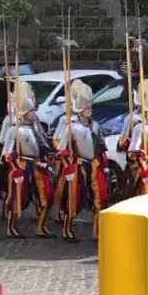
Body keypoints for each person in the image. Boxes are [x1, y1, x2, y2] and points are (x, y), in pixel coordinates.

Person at [53, 80, 108, 242]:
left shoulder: (96, 126)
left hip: (94, 165)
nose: (89, 111)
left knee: (100, 199)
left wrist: (103, 161)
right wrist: (67, 168)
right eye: (86, 108)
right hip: (77, 167)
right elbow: (61, 150)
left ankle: (97, 231)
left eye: (90, 107)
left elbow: (101, 146)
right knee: (73, 198)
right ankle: (67, 229)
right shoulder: (71, 127)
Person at [3, 80, 55, 238]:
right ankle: (11, 227)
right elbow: (7, 153)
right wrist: (15, 168)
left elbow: (42, 144)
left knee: (47, 198)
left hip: (38, 165)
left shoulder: (36, 127)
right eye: (31, 111)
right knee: (17, 199)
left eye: (34, 110)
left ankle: (41, 227)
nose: (34, 113)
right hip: (22, 166)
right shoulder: (14, 130)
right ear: (25, 112)